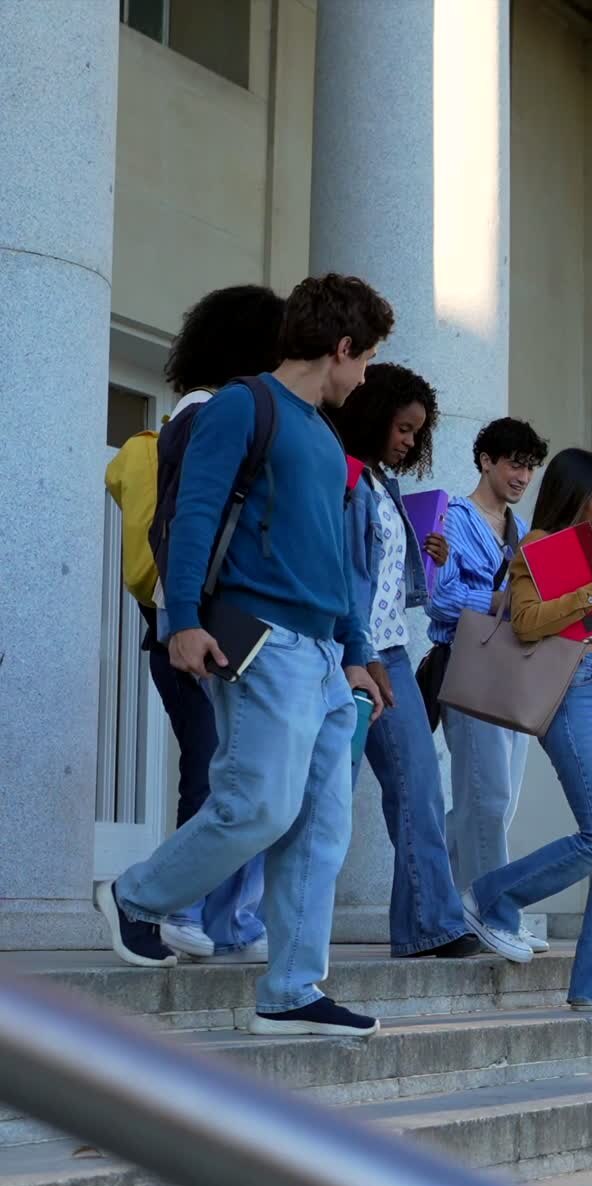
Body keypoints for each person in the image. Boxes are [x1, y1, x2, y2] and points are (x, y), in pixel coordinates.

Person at [97, 273, 392, 1039]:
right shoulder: (243, 405)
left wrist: (356, 651)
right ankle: (136, 896)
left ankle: (292, 990)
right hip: (261, 641)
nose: (364, 380)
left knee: (320, 829)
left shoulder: (325, 437)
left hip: (324, 654)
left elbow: (332, 555)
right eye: (365, 362)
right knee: (257, 805)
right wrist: (183, 619)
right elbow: (192, 513)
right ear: (341, 346)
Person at [462, 447, 592, 1011]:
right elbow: (527, 623)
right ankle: (491, 895)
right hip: (570, 690)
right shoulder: (539, 547)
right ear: (574, 492)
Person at [142, 284, 285, 963]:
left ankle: (230, 917)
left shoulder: (233, 411)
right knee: (216, 771)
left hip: (227, 620)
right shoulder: (209, 411)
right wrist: (183, 620)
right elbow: (180, 522)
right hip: (205, 621)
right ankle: (179, 906)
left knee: (242, 773)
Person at [332, 363, 482, 959]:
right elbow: (346, 575)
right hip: (348, 651)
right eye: (403, 427)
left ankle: (429, 924)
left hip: (390, 651)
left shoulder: (383, 486)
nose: (409, 441)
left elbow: (391, 577)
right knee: (310, 800)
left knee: (420, 787)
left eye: (418, 433)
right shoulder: (343, 477)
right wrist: (355, 651)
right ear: (371, 415)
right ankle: (222, 917)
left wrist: (428, 554)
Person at [427, 418, 549, 954]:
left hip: (511, 669)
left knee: (499, 797)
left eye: (529, 465)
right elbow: (439, 598)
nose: (522, 475)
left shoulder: (520, 532)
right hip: (470, 664)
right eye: (514, 463)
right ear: (486, 461)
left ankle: (455, 907)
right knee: (487, 797)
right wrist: (500, 603)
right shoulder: (454, 518)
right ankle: (492, 911)